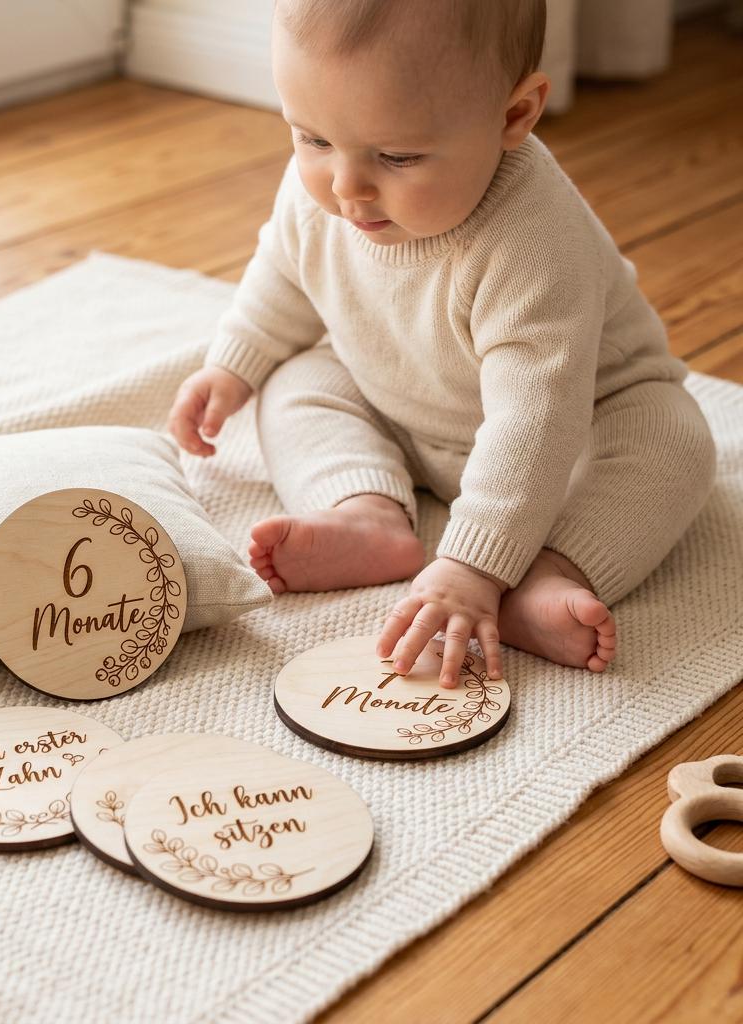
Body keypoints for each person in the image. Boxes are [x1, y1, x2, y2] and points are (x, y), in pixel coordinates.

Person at [166, 0, 716, 689]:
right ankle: (365, 513)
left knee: (675, 440)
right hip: (397, 397)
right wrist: (233, 364)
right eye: (311, 139)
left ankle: (548, 571)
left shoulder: (533, 240)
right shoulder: (331, 187)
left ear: (514, 116)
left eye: (396, 155)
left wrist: (474, 566)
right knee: (295, 382)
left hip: (575, 434)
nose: (346, 187)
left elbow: (535, 419)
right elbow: (285, 270)